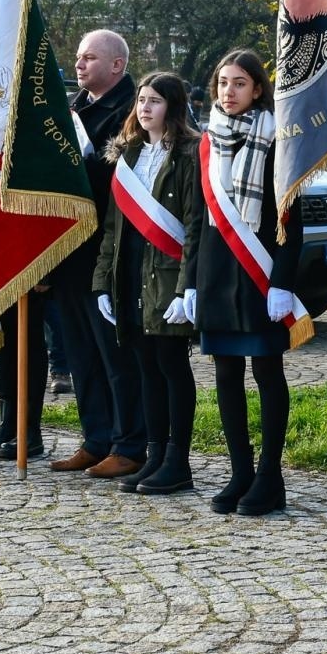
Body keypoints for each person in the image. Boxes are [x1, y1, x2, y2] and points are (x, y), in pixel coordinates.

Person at [187, 50, 302, 516]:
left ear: (258, 88)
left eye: (238, 83)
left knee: (267, 373)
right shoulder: (207, 142)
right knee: (226, 375)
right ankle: (240, 472)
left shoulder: (278, 140)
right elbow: (197, 217)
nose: (228, 92)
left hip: (261, 270)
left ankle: (270, 477)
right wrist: (190, 283)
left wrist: (282, 281)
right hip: (217, 271)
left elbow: (289, 220)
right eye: (221, 83)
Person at [92, 71, 202, 495]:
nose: (144, 108)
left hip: (168, 276)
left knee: (172, 367)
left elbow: (194, 226)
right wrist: (103, 282)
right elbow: (112, 227)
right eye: (141, 100)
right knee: (145, 369)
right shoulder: (129, 155)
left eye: (154, 100)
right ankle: (154, 455)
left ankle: (178, 461)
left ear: (172, 106)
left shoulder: (190, 154)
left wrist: (185, 288)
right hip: (131, 273)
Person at [45, 30, 144, 476]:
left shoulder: (132, 111)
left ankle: (129, 442)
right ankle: (96, 437)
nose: (79, 65)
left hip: (110, 250)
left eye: (89, 58)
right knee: (81, 351)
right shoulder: (72, 109)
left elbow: (116, 178)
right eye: (79, 58)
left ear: (117, 65)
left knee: (114, 354)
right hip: (69, 251)